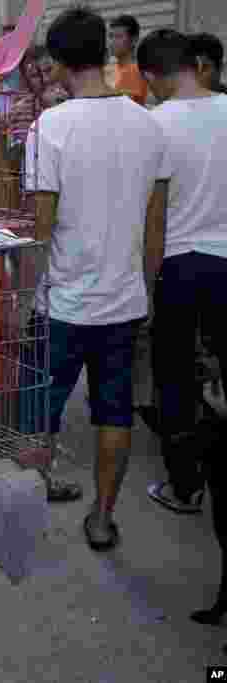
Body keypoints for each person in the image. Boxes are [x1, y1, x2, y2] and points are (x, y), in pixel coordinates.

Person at [24, 7, 169, 551]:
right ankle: (103, 518)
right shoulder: (147, 124)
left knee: (41, 407)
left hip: (61, 302)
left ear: (59, 62)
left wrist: (24, 298)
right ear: (106, 55)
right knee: (114, 412)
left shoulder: (51, 128)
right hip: (123, 303)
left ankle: (32, 506)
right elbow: (156, 228)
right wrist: (148, 295)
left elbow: (41, 229)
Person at [136, 30, 227, 515]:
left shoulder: (154, 124)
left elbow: (154, 218)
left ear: (151, 76)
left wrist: (148, 287)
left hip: (179, 264)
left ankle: (185, 486)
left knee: (173, 379)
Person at [106, 15, 149, 105]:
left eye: (118, 37)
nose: (112, 42)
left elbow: (122, 107)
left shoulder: (135, 70)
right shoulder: (109, 68)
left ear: (134, 40)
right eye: (110, 36)